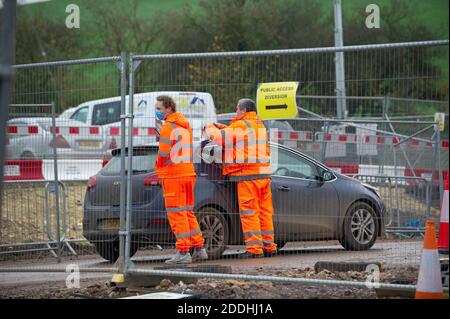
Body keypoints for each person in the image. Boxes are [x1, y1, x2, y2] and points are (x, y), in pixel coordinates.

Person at [205, 98, 277, 258]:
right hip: (263, 175)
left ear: (243, 110)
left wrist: (210, 127)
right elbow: (239, 136)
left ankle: (254, 250)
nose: (236, 112)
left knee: (249, 213)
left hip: (247, 176)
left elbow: (218, 139)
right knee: (265, 212)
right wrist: (224, 128)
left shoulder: (242, 125)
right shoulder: (259, 125)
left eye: (237, 109)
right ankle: (269, 246)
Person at [155, 95, 208, 264]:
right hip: (187, 173)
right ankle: (199, 248)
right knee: (187, 212)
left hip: (173, 176)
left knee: (177, 214)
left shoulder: (167, 127)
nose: (157, 112)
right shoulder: (185, 126)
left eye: (159, 108)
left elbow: (163, 153)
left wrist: (158, 167)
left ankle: (183, 252)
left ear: (169, 108)